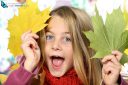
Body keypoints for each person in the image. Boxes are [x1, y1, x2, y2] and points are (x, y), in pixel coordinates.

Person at [4, 6, 128, 85]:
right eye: (49, 37)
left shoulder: (100, 80)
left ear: (84, 47)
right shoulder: (31, 80)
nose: (55, 45)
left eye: (67, 39)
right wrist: (27, 67)